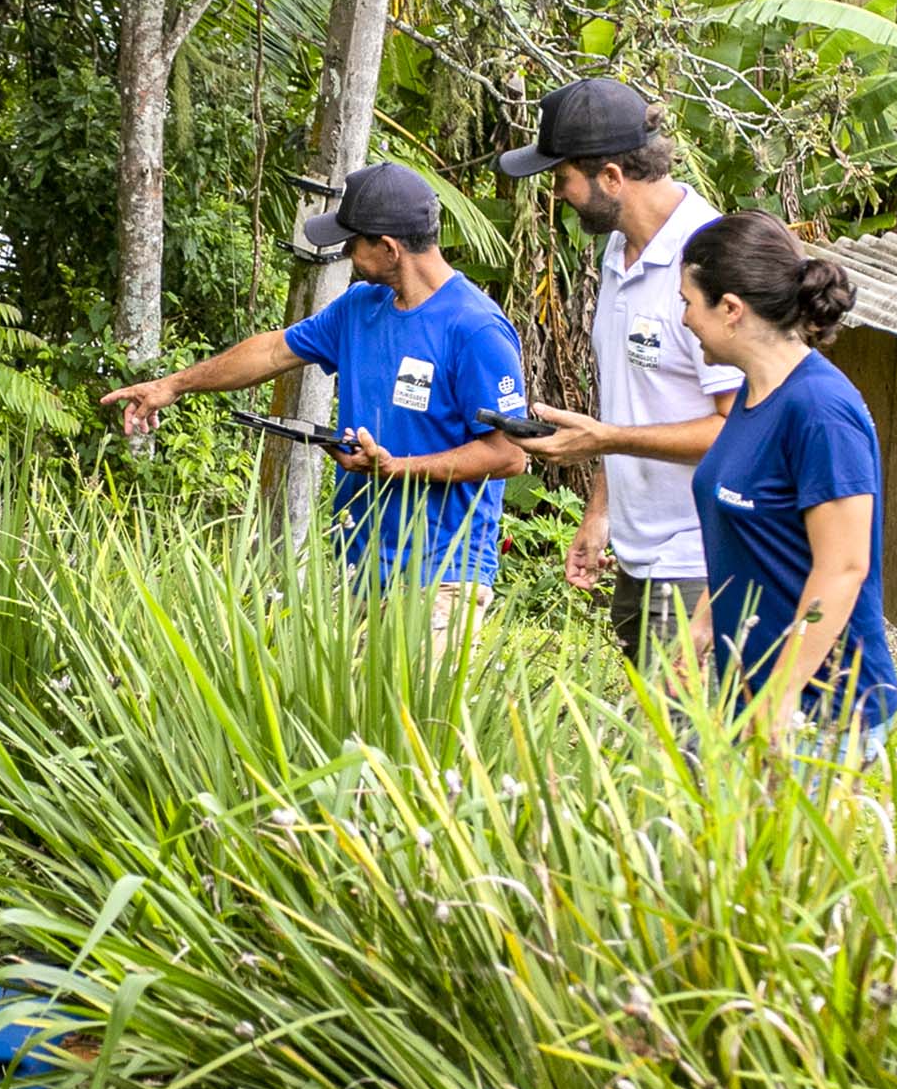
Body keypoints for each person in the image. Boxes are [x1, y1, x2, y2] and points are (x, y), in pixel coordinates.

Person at [101, 162, 528, 638]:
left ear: (389, 248)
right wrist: (174, 385)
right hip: (360, 567)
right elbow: (272, 352)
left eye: (352, 243)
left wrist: (396, 468)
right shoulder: (360, 307)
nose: (346, 253)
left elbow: (509, 455)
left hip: (442, 575)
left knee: (414, 693)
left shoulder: (475, 329)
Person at [494, 78, 740, 662]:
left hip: (699, 562)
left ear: (610, 177)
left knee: (677, 723)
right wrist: (600, 512)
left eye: (562, 178)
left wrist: (603, 439)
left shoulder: (710, 259)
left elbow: (739, 430)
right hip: (635, 556)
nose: (558, 194)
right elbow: (633, 401)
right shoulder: (617, 250)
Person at [668, 211, 897, 756]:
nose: (684, 319)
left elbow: (844, 567)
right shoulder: (754, 394)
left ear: (730, 309)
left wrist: (782, 692)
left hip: (821, 712)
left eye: (688, 302)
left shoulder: (820, 411)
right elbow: (750, 539)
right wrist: (703, 625)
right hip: (750, 696)